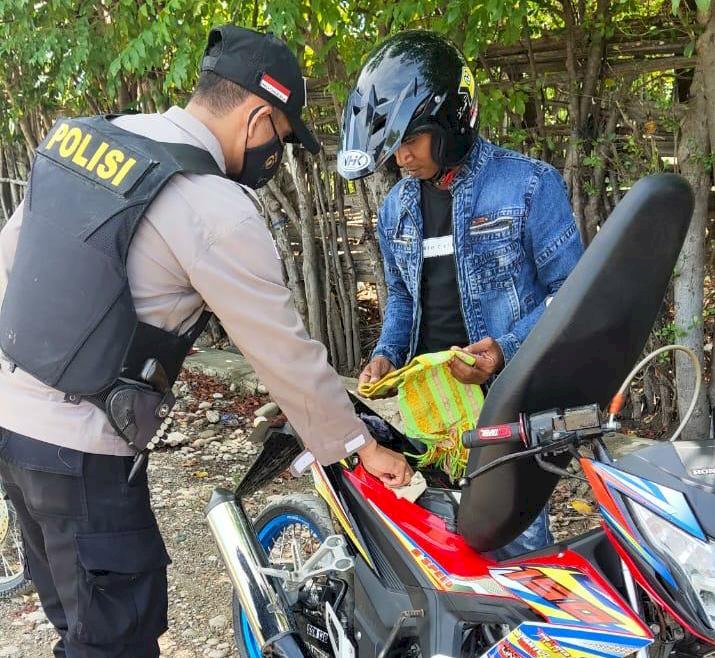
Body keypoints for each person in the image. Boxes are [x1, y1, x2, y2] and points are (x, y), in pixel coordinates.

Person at [0, 26, 410, 658]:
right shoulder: (211, 203)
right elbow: (283, 349)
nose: (278, 158)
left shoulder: (88, 140)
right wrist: (356, 444)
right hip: (82, 458)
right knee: (115, 640)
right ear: (258, 119)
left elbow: (11, 263)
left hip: (12, 432)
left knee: (74, 621)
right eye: (282, 139)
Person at [338, 30, 583, 557]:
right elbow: (403, 300)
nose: (400, 156)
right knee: (437, 563)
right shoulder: (395, 210)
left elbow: (572, 296)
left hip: (505, 417)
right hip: (428, 418)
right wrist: (385, 353)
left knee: (518, 564)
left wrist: (503, 351)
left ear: (452, 122)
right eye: (392, 144)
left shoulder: (530, 187)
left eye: (412, 138)